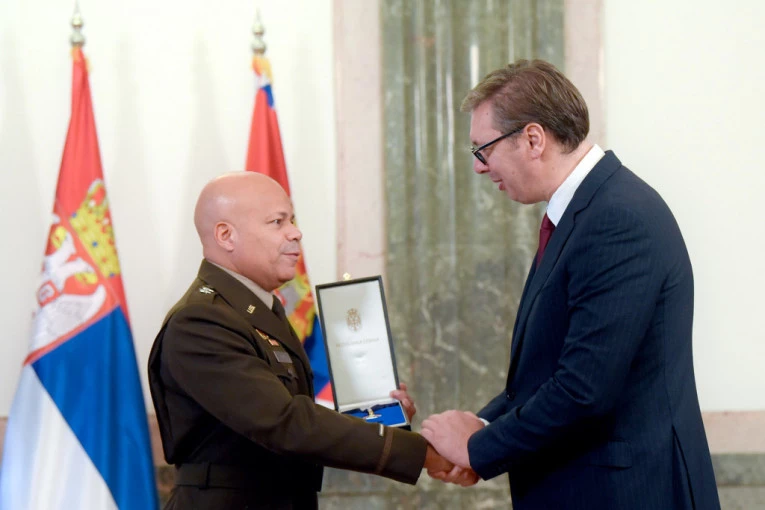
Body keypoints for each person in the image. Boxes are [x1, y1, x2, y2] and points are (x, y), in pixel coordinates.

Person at [421, 59, 721, 509]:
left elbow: (583, 390)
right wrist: (482, 429)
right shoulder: (586, 211)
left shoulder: (617, 218)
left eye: (483, 149)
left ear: (533, 139)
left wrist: (478, 449)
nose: (480, 168)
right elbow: (549, 371)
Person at [148, 172, 451, 509]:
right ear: (225, 235)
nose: (295, 232)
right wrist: (419, 453)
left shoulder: (257, 310)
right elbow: (284, 422)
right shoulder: (201, 321)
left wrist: (381, 417)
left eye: (291, 220)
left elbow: (292, 417)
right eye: (277, 222)